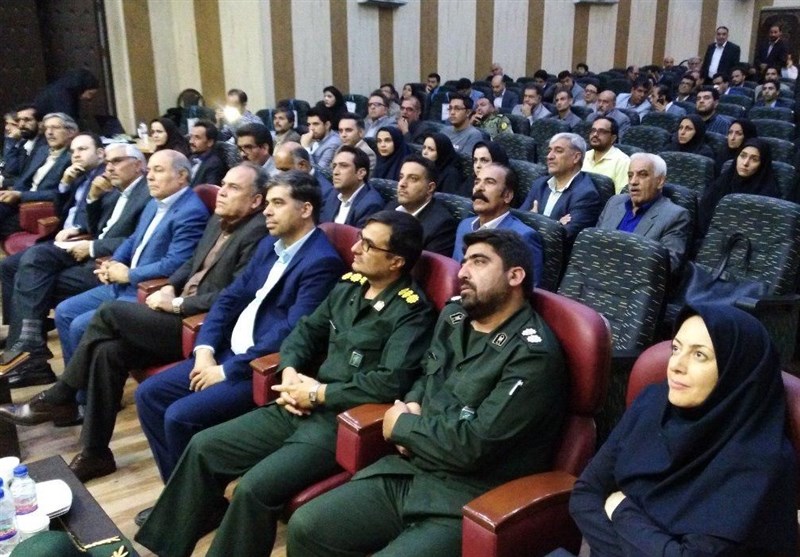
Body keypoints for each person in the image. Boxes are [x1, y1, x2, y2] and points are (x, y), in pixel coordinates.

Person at [135, 210, 438, 557]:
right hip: (298, 399)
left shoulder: (413, 312)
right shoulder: (349, 286)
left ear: (396, 261)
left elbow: (388, 383)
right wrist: (291, 370)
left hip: (339, 421)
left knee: (252, 488)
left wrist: (318, 393)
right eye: (359, 239)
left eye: (368, 245)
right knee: (203, 446)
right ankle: (165, 549)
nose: (355, 248)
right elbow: (304, 331)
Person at [287, 228, 568, 557]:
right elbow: (425, 373)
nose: (462, 272)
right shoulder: (454, 316)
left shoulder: (532, 355)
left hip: (467, 497)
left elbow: (475, 445)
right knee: (307, 525)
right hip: (410, 471)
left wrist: (404, 427)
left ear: (515, 276)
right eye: (464, 262)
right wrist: (412, 402)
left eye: (479, 262)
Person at [0, 163, 272, 482]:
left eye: (233, 188)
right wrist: (171, 285)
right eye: (223, 184)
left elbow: (234, 296)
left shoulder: (259, 234)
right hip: (176, 310)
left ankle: (61, 395)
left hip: (203, 327)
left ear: (256, 201)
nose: (222, 192)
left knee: (110, 312)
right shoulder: (219, 218)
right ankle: (95, 454)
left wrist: (178, 302)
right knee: (107, 352)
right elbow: (191, 263)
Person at [569, 303, 797, 556]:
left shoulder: (760, 461)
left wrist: (620, 509)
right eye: (676, 348)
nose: (676, 365)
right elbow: (585, 495)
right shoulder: (652, 404)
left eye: (699, 355)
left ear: (736, 371)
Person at [53, 149, 210, 364]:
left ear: (181, 176)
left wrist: (129, 274)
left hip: (145, 291)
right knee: (64, 311)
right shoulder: (154, 202)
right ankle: (76, 383)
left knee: (80, 325)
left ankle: (80, 385)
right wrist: (114, 262)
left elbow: (175, 263)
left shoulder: (191, 212)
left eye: (158, 170)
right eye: (149, 170)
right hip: (122, 284)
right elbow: (133, 239)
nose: (150, 177)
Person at [596, 153, 691, 273]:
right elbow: (595, 243)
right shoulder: (614, 202)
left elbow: (665, 267)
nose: (633, 182)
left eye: (642, 175)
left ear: (660, 181)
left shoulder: (675, 216)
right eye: (630, 175)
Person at [453, 163, 544, 287]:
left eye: (489, 182)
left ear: (507, 196)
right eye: (477, 182)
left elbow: (528, 289)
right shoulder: (464, 226)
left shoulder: (523, 237)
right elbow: (455, 272)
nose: (479, 188)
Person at [523, 133, 602, 244]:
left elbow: (562, 237)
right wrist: (556, 224)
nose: (549, 156)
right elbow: (518, 218)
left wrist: (533, 219)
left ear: (576, 157)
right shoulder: (540, 184)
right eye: (549, 150)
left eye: (558, 151)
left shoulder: (586, 194)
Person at [699, 138, 781, 235]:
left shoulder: (768, 194)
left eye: (754, 159)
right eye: (742, 156)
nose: (745, 163)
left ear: (762, 165)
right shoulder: (723, 181)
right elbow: (703, 218)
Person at [386, 154, 458, 257]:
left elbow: (426, 266)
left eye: (413, 179)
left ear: (430, 188)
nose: (402, 184)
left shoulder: (442, 226)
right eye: (401, 177)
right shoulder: (392, 206)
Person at [319, 145, 385, 227]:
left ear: (361, 173)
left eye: (343, 166)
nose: (335, 172)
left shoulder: (371, 205)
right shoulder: (332, 193)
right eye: (334, 166)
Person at [582, 116, 630, 194]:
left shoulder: (623, 162)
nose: (595, 134)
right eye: (593, 130)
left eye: (602, 131)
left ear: (613, 138)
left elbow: (621, 196)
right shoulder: (584, 156)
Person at [34, 69, 99, 122]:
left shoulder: (63, 90)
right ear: (81, 87)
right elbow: (66, 122)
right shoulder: (62, 96)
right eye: (90, 93)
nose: (89, 97)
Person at [421, 132, 465, 197]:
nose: (425, 152)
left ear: (441, 152)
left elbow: (448, 200)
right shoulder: (424, 168)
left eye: (431, 149)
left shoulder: (451, 175)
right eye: (424, 147)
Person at [187, 120, 225, 187]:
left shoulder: (214, 164)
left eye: (197, 138)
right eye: (191, 137)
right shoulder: (192, 157)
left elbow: (208, 191)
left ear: (210, 142)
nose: (191, 141)